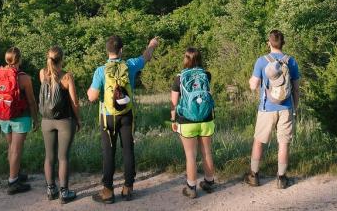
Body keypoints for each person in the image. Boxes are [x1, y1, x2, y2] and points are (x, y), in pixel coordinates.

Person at [87, 35, 160, 203]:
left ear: (107, 51)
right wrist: (152, 45)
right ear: (121, 50)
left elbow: (92, 97)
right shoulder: (130, 65)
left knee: (108, 152)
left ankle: (107, 191)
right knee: (128, 149)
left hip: (108, 117)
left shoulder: (101, 70)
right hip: (126, 114)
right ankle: (128, 188)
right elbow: (146, 57)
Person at [245, 30, 300, 189]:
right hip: (286, 108)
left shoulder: (262, 61)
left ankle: (254, 176)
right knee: (283, 143)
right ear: (283, 43)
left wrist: (252, 82)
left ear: (269, 42)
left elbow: (254, 85)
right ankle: (281, 179)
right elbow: (296, 88)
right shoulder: (291, 61)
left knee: (259, 141)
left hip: (266, 108)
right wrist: (294, 107)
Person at [0, 47, 39, 194]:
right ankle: (13, 181)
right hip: (20, 117)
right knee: (16, 149)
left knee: (11, 147)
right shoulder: (24, 78)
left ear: (6, 59)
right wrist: (36, 118)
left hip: (3, 115)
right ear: (20, 59)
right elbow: (31, 101)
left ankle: (15, 173)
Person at [170, 47, 217, 198]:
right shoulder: (206, 75)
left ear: (186, 59)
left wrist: (172, 119)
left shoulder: (179, 78)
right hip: (206, 118)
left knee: (191, 155)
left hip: (187, 120)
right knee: (206, 152)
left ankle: (191, 188)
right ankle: (209, 183)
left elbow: (174, 102)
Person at [38, 46, 81, 203]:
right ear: (62, 59)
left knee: (49, 157)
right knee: (63, 158)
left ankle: (51, 190)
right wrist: (79, 119)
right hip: (64, 121)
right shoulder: (67, 77)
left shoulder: (42, 73)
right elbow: (74, 102)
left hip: (46, 121)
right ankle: (64, 192)